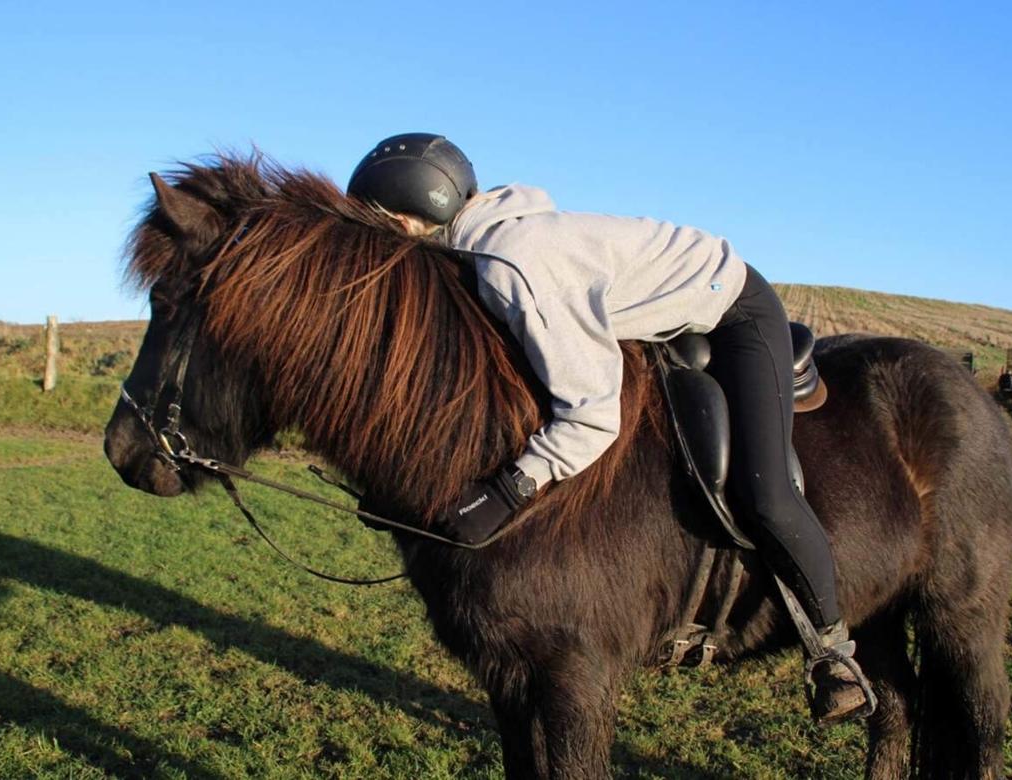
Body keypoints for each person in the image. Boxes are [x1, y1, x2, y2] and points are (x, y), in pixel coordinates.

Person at [347, 132, 872, 724]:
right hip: (660, 306)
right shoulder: (478, 250)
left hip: (735, 309)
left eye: (383, 232)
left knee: (765, 490)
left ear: (407, 222)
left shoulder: (511, 267)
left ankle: (834, 651)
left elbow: (593, 415)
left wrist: (509, 491)